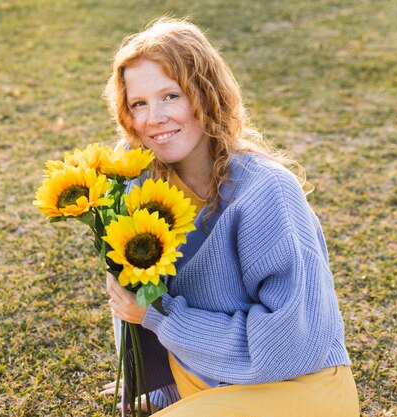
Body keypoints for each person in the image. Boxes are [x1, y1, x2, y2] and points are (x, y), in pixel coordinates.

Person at [100, 17, 359, 416]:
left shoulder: (267, 193)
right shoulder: (136, 187)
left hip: (294, 387)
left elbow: (288, 345)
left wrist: (160, 317)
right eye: (139, 103)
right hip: (200, 380)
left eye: (171, 95)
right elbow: (132, 296)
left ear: (205, 94)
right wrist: (161, 385)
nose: (154, 117)